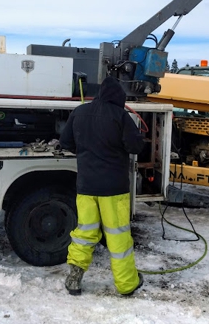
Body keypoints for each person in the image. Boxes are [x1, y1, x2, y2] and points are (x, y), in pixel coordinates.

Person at [60, 76, 145, 296]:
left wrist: (86, 154)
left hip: (86, 187)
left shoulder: (79, 112)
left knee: (84, 233)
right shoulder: (120, 115)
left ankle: (74, 278)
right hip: (114, 190)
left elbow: (66, 142)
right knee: (117, 237)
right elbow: (135, 146)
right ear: (118, 97)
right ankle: (127, 284)